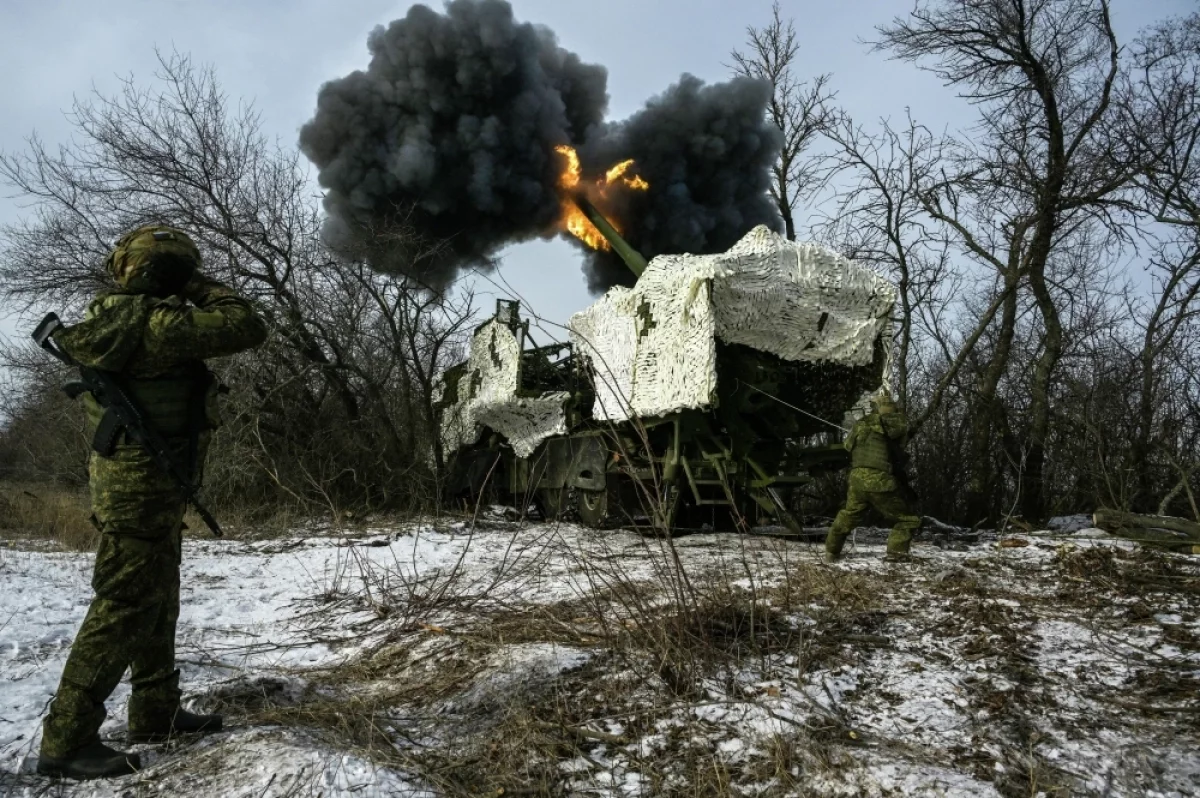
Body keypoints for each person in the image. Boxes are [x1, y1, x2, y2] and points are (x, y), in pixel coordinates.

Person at [37, 225, 267, 779]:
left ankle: (155, 710)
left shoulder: (111, 319)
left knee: (157, 595)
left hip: (140, 483)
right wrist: (198, 285)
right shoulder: (160, 325)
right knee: (123, 605)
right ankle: (67, 739)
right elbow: (246, 323)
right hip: (143, 487)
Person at [825, 388, 921, 562]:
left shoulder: (861, 423)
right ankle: (896, 556)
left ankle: (831, 552)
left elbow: (847, 446)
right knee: (907, 519)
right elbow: (901, 442)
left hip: (857, 480)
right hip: (880, 480)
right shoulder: (897, 423)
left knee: (849, 515)